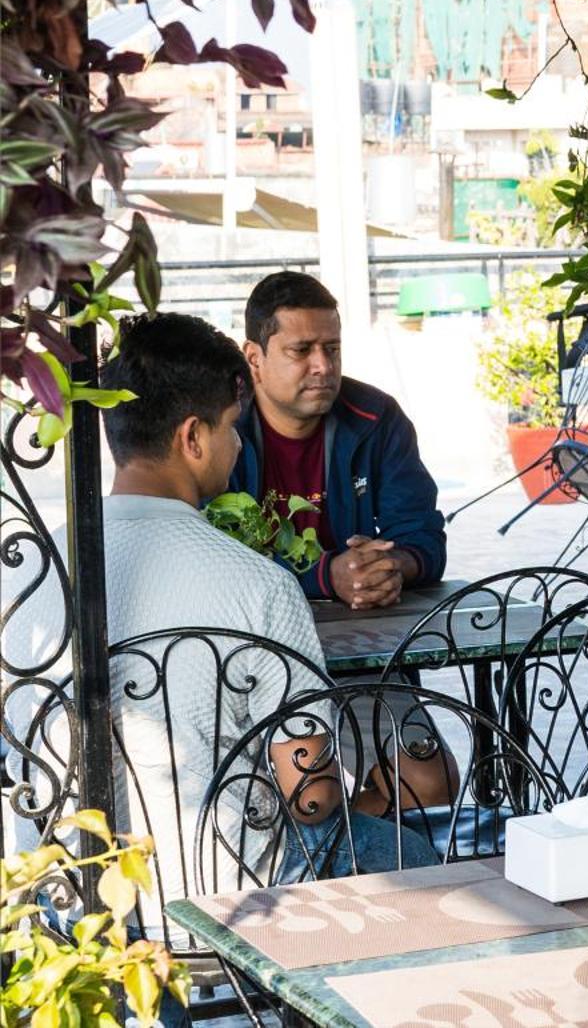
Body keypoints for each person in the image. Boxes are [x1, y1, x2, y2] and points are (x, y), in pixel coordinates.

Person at [14, 314, 438, 915]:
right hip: (228, 894)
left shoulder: (30, 567)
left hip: (65, 898)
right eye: (232, 428)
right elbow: (310, 798)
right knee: (414, 857)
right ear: (192, 437)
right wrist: (372, 801)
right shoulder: (257, 584)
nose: (238, 445)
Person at [230, 271, 446, 608]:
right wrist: (327, 576)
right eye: (301, 350)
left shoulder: (378, 418)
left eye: (332, 349)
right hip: (250, 637)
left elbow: (423, 536)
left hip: (369, 633)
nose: (323, 366)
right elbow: (210, 556)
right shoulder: (222, 425)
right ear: (254, 359)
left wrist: (386, 567)